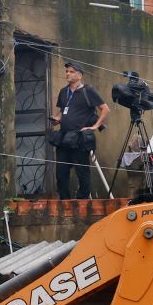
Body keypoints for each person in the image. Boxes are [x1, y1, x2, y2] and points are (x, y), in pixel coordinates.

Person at [52, 63, 107, 201]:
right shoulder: (63, 92)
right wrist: (57, 119)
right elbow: (62, 111)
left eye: (71, 71)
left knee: (82, 172)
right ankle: (64, 201)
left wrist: (95, 126)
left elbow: (105, 109)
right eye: (67, 71)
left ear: (80, 75)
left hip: (80, 138)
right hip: (64, 137)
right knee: (61, 172)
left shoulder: (88, 91)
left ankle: (82, 200)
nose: (67, 74)